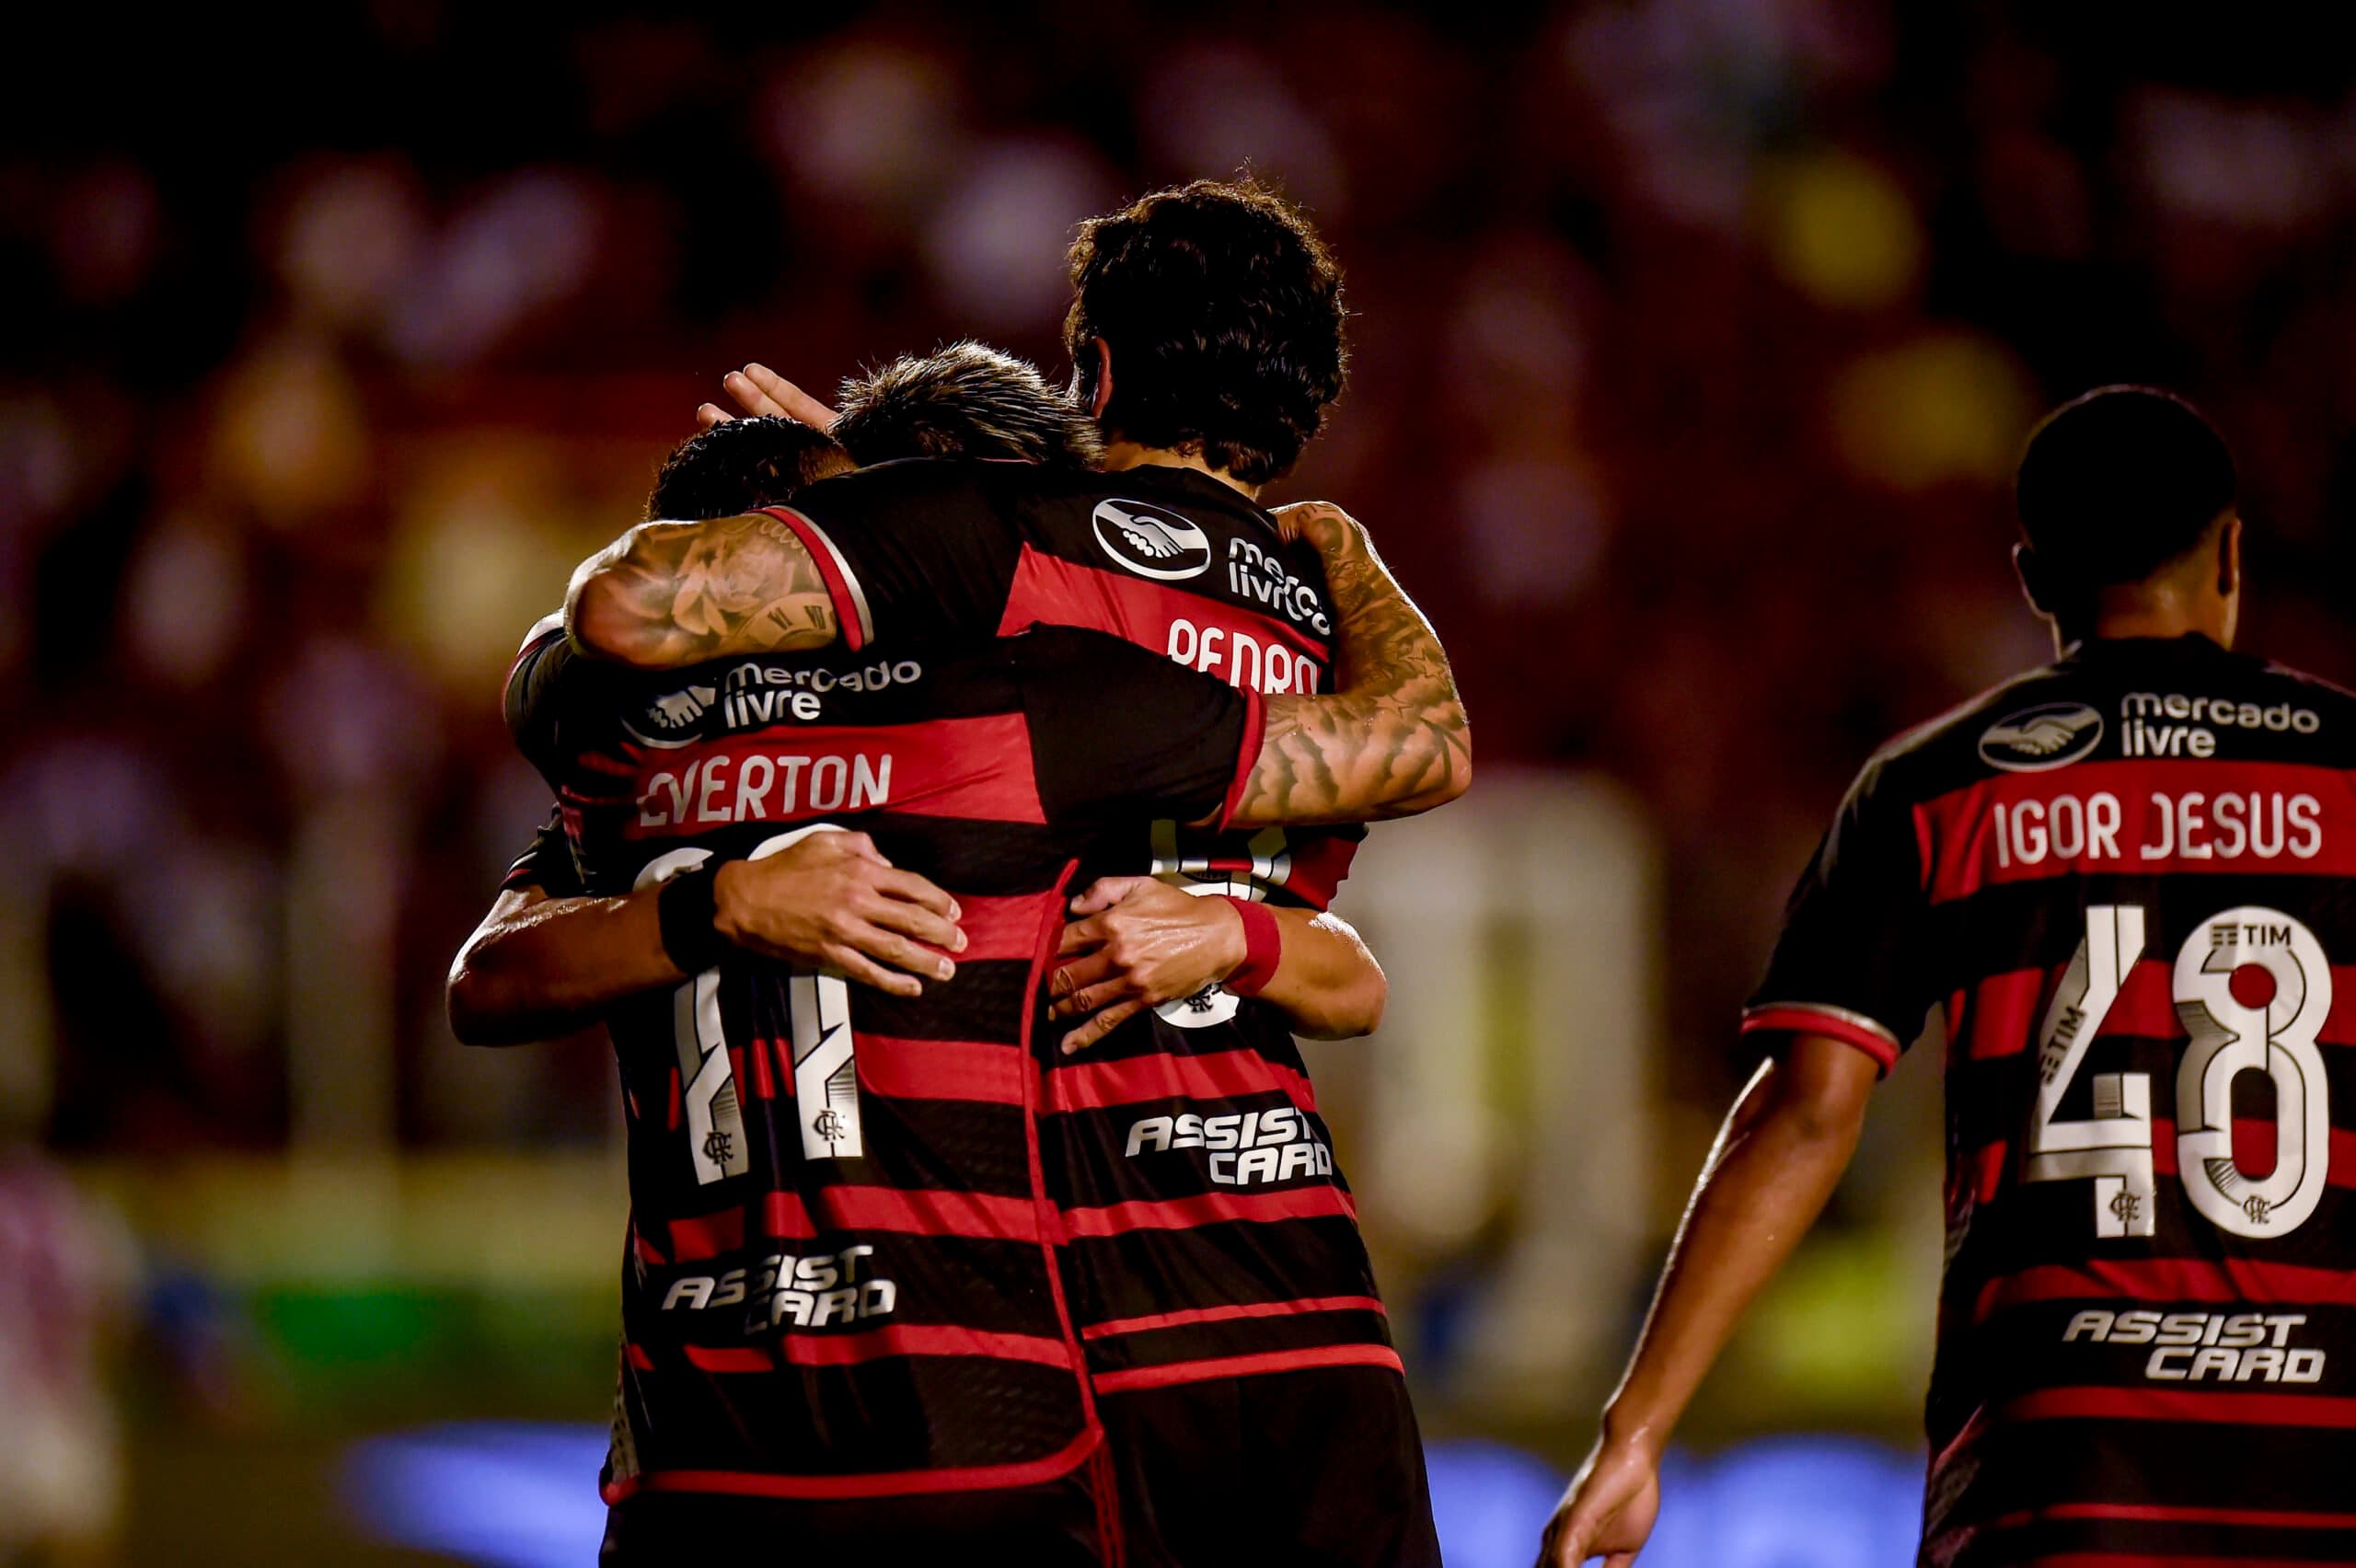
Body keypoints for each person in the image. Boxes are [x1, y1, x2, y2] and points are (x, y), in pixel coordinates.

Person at [572, 179, 1458, 1567]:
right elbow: (1387, 856)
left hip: (1079, 1301)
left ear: (1094, 370)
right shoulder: (1321, 628)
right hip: (1311, 1294)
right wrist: (1337, 542)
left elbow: (620, 628)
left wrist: (879, 508)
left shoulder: (1007, 564)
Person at [1541, 386, 2356, 1568]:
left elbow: (1806, 1112)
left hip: (2059, 1466)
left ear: (2032, 577)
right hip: (2324, 1445)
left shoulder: (1934, 787)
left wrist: (1636, 1432)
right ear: (2231, 551)